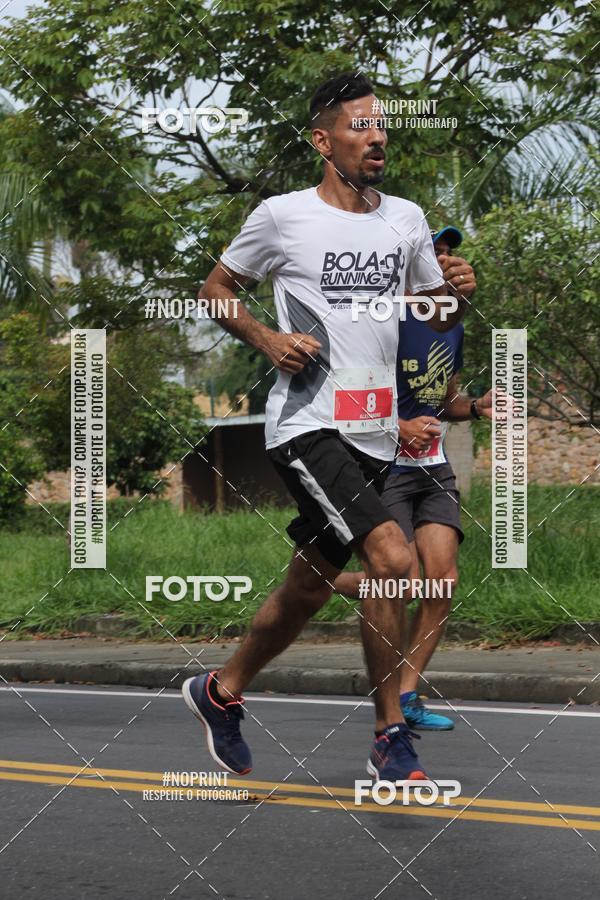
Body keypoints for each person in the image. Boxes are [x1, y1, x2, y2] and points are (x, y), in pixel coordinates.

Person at [182, 72, 467, 782]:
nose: (378, 137)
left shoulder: (403, 217)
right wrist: (267, 339)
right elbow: (215, 289)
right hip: (308, 423)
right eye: (362, 126)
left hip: (375, 433)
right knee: (392, 561)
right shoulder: (283, 216)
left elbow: (429, 319)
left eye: (383, 127)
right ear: (323, 139)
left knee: (308, 588)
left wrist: (455, 292)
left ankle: (219, 691)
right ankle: (388, 736)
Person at [334, 226, 492, 730]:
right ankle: (319, 581)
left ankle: (406, 695)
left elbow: (445, 400)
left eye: (448, 252)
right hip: (384, 468)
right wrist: (397, 425)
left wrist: (476, 408)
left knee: (441, 584)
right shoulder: (380, 321)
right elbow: (343, 396)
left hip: (434, 469)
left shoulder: (450, 326)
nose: (443, 259)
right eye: (433, 252)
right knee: (401, 581)